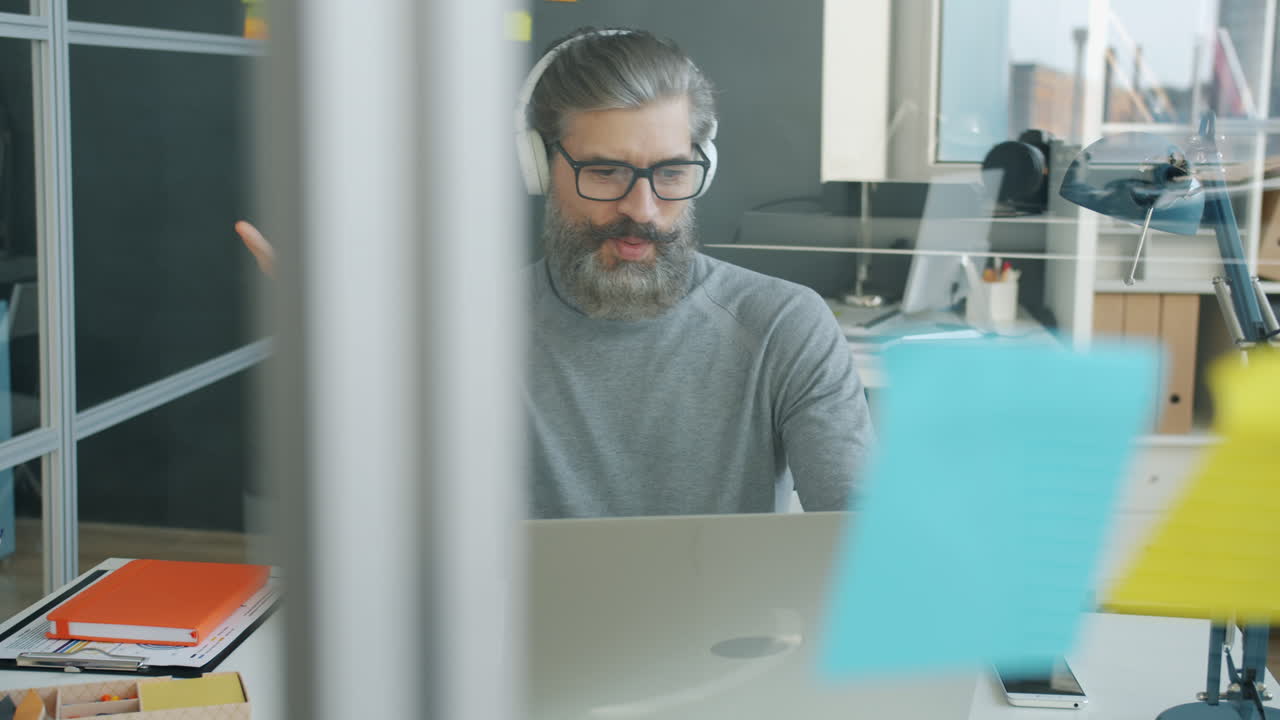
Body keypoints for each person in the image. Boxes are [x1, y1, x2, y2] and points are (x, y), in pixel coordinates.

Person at [237, 27, 875, 519]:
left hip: (731, 663)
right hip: (510, 669)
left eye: (672, 173)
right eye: (604, 172)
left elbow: (859, 536)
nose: (642, 209)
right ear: (537, 168)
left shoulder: (783, 326)